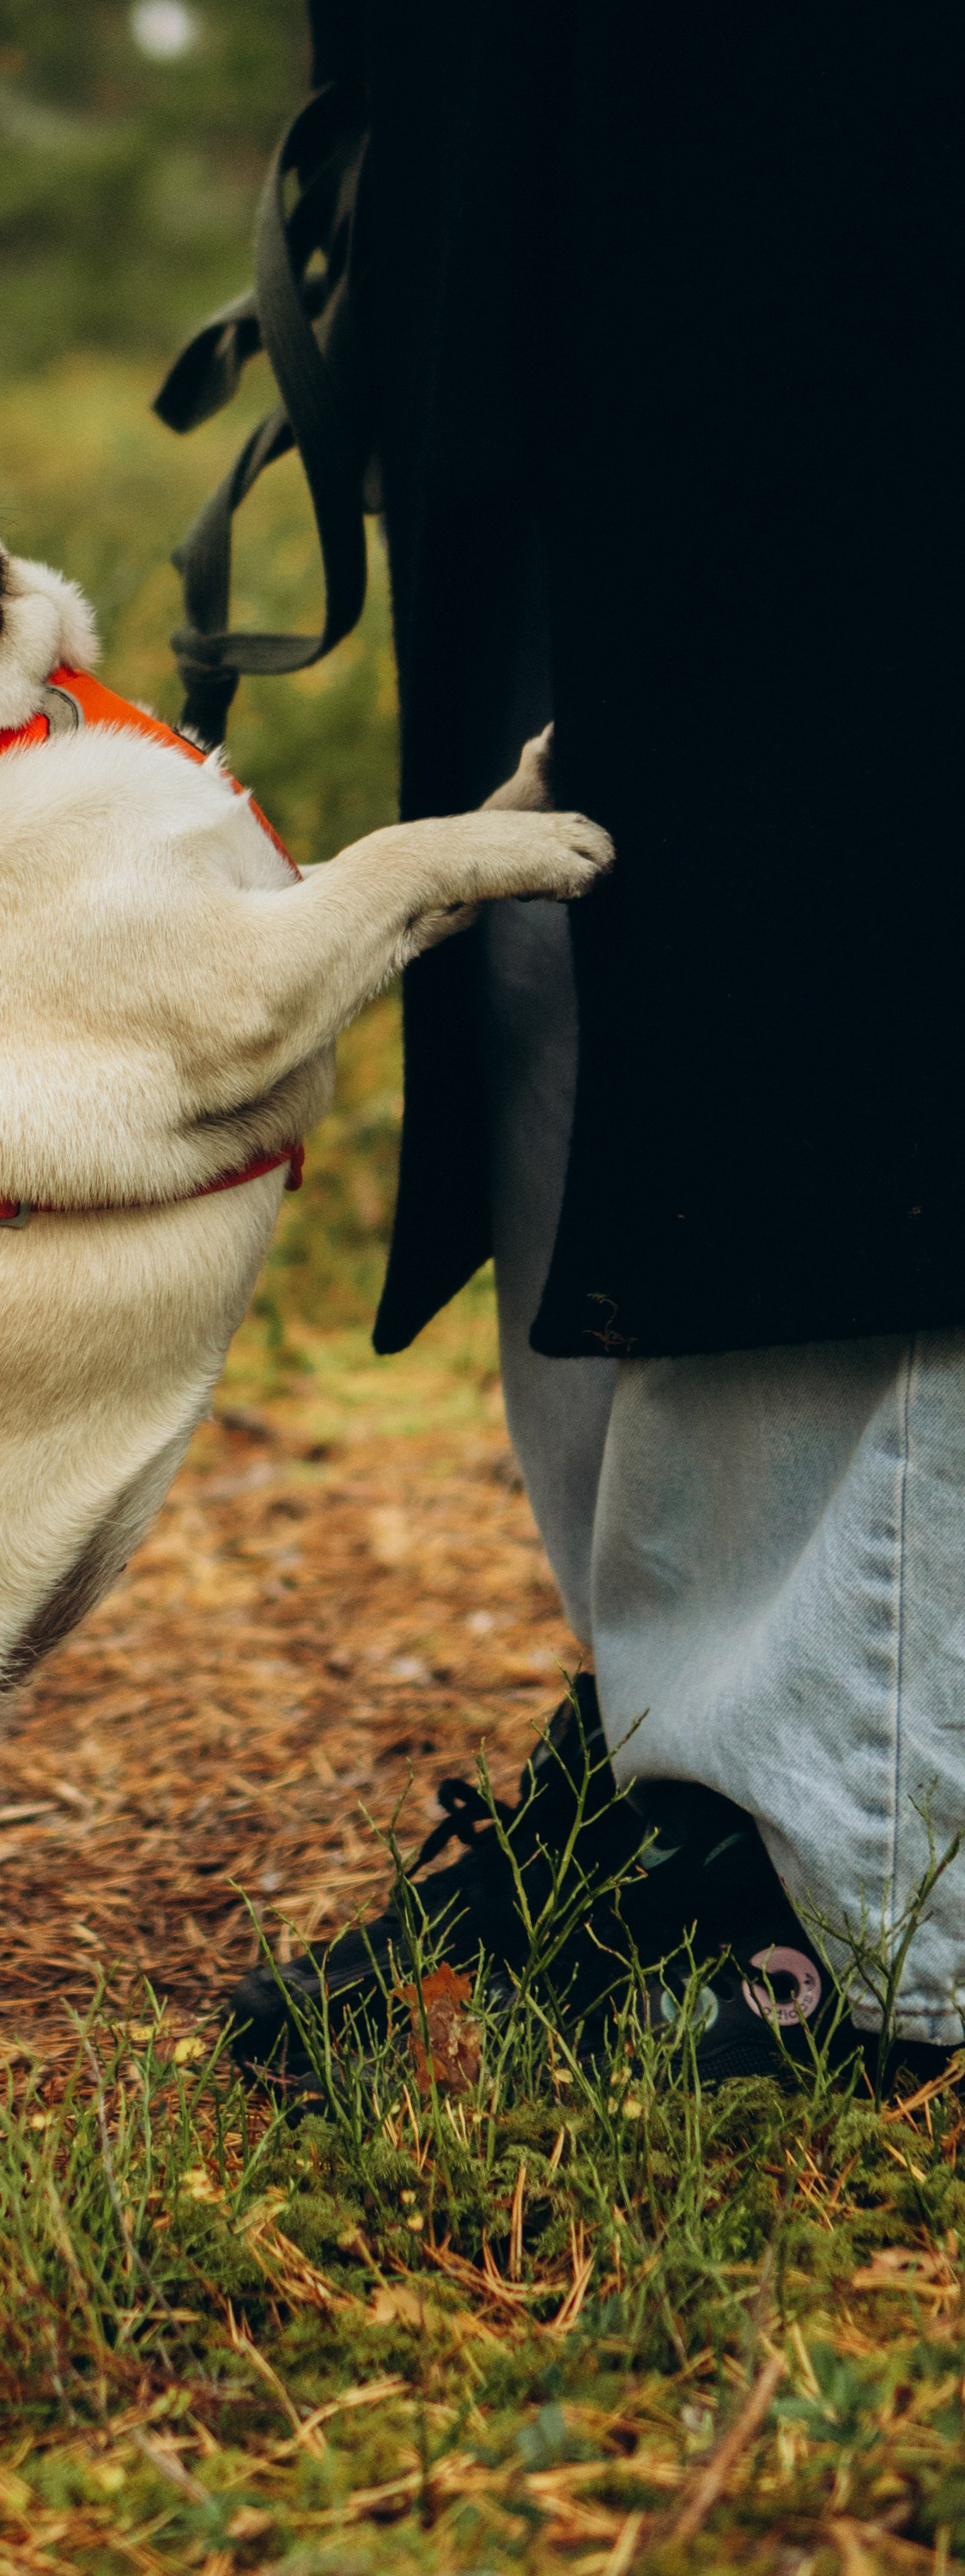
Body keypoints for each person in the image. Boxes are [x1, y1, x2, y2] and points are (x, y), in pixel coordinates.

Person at [197, 1, 965, 2085]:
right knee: (563, 920)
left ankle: (850, 1884)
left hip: (855, 140)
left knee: (835, 927)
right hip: (525, 120)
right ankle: (680, 1747)